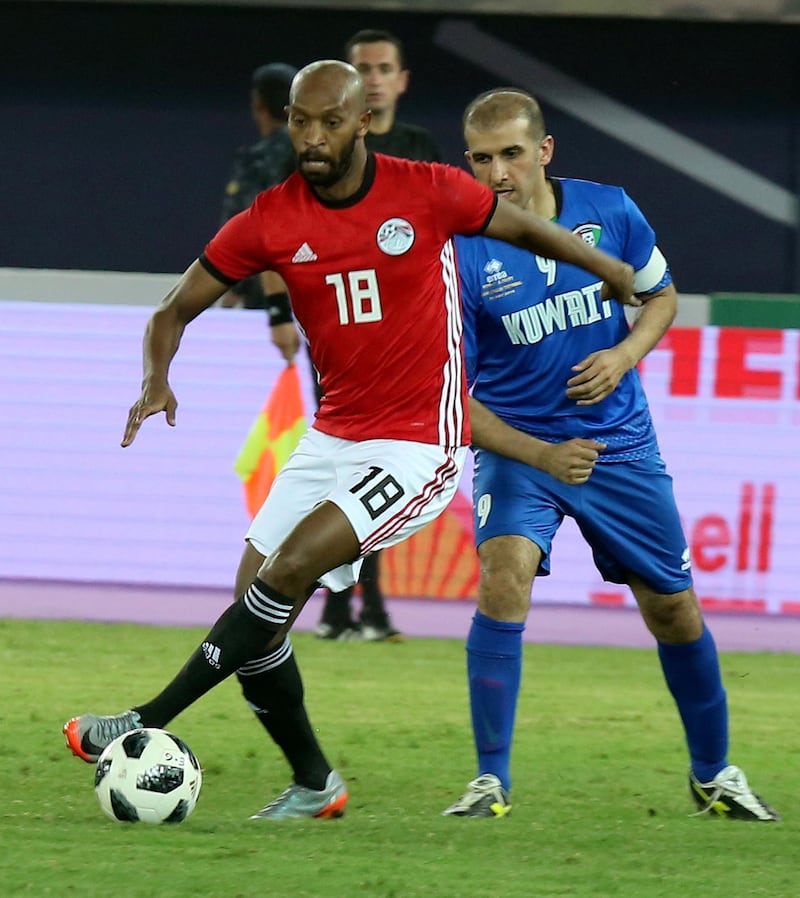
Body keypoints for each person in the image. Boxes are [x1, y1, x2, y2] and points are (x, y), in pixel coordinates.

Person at [62, 61, 634, 821]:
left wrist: (606, 266)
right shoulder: (271, 217)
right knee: (254, 603)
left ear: (363, 122)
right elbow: (172, 308)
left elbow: (524, 226)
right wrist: (154, 378)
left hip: (416, 445)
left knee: (288, 572)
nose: (311, 136)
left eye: (329, 122)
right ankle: (315, 783)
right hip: (332, 435)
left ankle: (146, 718)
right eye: (300, 121)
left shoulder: (427, 190)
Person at [441, 88, 779, 822]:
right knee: (503, 580)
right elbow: (450, 398)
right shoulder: (459, 251)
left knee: (673, 610)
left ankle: (714, 774)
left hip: (619, 446)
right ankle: (490, 781)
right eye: (480, 158)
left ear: (545, 151)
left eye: (510, 154)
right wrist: (539, 452)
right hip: (521, 450)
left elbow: (661, 297)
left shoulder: (611, 210)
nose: (496, 173)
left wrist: (624, 354)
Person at [293, 30, 442, 642]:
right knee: (346, 473)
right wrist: (283, 313)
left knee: (375, 479)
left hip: (404, 346)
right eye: (363, 68)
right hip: (336, 341)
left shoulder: (419, 154)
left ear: (402, 80)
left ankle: (357, 608)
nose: (374, 78)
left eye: (384, 68)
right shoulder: (317, 155)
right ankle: (347, 609)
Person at [218, 61, 297, 311]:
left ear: (258, 104)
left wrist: (233, 285)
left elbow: (244, 226)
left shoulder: (257, 161)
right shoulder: (325, 157)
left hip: (265, 293)